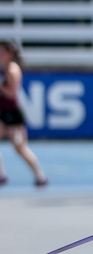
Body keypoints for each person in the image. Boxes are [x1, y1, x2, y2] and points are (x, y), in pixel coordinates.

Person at [0, 40, 49, 189]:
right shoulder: (4, 68)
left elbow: (11, 93)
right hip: (2, 113)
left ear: (9, 53)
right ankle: (1, 175)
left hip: (12, 114)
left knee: (20, 148)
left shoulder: (12, 70)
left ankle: (40, 176)